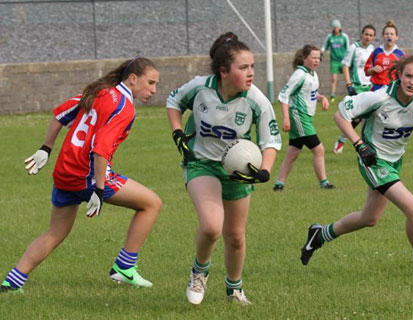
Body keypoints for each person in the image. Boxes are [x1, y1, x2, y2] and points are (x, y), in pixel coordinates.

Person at [0, 57, 162, 293]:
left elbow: (59, 115)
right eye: (150, 82)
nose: (153, 90)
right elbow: (101, 148)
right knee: (152, 204)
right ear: (133, 78)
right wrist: (98, 188)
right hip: (87, 175)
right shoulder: (125, 107)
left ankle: (12, 283)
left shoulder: (99, 91)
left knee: (55, 232)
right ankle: (125, 267)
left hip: (64, 172)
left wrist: (45, 148)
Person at [300, 55, 413, 276]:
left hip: (394, 162)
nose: (412, 82)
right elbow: (340, 115)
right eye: (408, 75)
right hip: (373, 159)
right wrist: (359, 145)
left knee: (369, 218)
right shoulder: (380, 97)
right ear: (399, 74)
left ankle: (319, 234)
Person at [166, 32, 281, 305]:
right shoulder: (200, 87)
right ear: (224, 72)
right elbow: (173, 102)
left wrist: (264, 171)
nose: (251, 73)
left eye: (253, 66)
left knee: (236, 237)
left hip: (236, 172)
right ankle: (200, 271)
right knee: (210, 227)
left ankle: (234, 289)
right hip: (201, 164)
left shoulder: (257, 101)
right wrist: (178, 133)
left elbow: (271, 140)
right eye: (243, 68)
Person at [273, 44, 334, 192]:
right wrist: (286, 119)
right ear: (304, 58)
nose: (316, 60)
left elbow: (309, 93)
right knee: (319, 150)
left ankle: (279, 184)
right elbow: (284, 95)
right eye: (313, 57)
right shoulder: (299, 75)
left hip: (306, 116)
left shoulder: (312, 74)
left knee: (293, 152)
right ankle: (324, 183)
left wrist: (322, 98)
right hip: (299, 116)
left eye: (318, 58)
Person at [333, 24, 376, 154]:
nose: (368, 37)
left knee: (369, 117)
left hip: (369, 87)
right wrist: (349, 85)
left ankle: (366, 144)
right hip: (356, 87)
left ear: (373, 37)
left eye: (371, 35)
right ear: (361, 34)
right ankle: (342, 140)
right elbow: (345, 66)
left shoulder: (372, 49)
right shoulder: (354, 48)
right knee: (357, 117)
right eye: (366, 34)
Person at [364, 20, 405, 92]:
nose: (389, 35)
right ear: (383, 36)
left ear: (396, 37)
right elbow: (367, 72)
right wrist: (373, 69)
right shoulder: (376, 52)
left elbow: (406, 73)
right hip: (377, 88)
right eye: (387, 34)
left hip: (393, 88)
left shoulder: (401, 54)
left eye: (392, 34)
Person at [321, 19, 350, 102]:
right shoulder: (330, 37)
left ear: (340, 28)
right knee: (334, 78)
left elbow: (348, 48)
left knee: (347, 77)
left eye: (337, 27)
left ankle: (349, 93)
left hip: (343, 60)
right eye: (334, 27)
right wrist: (321, 51)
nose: (335, 29)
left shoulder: (344, 37)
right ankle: (332, 95)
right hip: (334, 61)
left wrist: (348, 59)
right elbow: (324, 46)